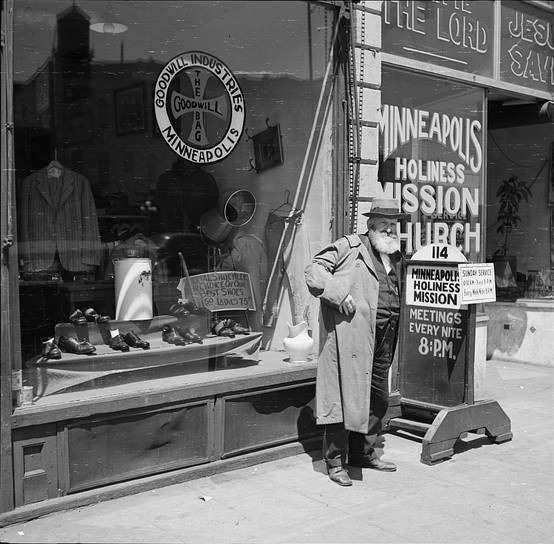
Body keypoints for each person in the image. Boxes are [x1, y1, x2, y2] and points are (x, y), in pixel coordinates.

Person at [304, 198, 408, 486]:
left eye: (394, 225)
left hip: (385, 335)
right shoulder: (349, 247)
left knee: (377, 397)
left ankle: (363, 453)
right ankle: (335, 462)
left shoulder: (396, 255)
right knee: (344, 397)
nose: (389, 230)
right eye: (384, 224)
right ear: (370, 225)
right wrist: (339, 293)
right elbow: (313, 270)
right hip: (353, 338)